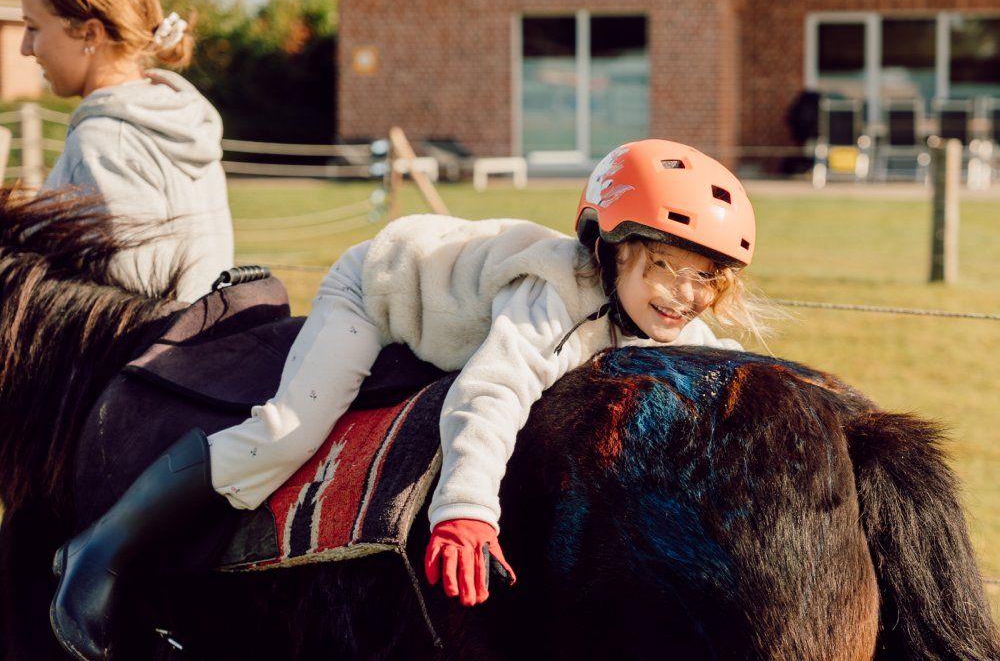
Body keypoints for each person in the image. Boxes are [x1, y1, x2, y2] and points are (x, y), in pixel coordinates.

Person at [49, 139, 766, 660]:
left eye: (706, 278)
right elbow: (488, 393)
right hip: (376, 291)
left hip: (448, 305)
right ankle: (103, 547)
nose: (684, 295)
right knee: (288, 432)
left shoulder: (665, 311)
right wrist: (464, 513)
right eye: (664, 266)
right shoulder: (554, 300)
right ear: (608, 249)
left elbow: (717, 367)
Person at [20, 0, 234, 303]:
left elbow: (127, 307)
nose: (25, 48)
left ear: (90, 33)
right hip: (200, 338)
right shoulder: (176, 120)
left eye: (34, 27)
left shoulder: (106, 143)